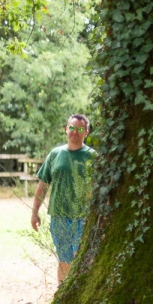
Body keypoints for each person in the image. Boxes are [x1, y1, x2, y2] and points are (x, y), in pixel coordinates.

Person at [31, 114, 96, 283]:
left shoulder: (93, 157)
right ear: (66, 129)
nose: (75, 132)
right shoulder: (55, 154)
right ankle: (62, 296)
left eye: (80, 129)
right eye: (72, 128)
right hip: (59, 216)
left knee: (81, 260)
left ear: (86, 133)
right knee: (64, 261)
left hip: (84, 218)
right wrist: (35, 212)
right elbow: (43, 185)